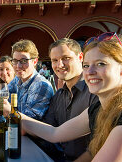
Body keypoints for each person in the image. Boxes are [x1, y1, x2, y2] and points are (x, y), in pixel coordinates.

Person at [20, 32, 122, 161]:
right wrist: (14, 116)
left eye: (101, 64)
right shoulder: (98, 108)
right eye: (86, 65)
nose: (90, 72)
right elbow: (55, 133)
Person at [38, 38, 99, 161]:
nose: (59, 65)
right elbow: (47, 128)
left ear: (80, 57)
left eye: (66, 58)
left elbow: (99, 145)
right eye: (55, 60)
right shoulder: (58, 96)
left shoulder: (96, 92)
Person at [7, 39, 54, 120]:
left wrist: (5, 109)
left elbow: (28, 121)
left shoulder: (41, 85)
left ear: (35, 61)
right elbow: (2, 97)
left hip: (35, 132)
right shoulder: (17, 79)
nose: (18, 66)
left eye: (24, 61)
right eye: (15, 61)